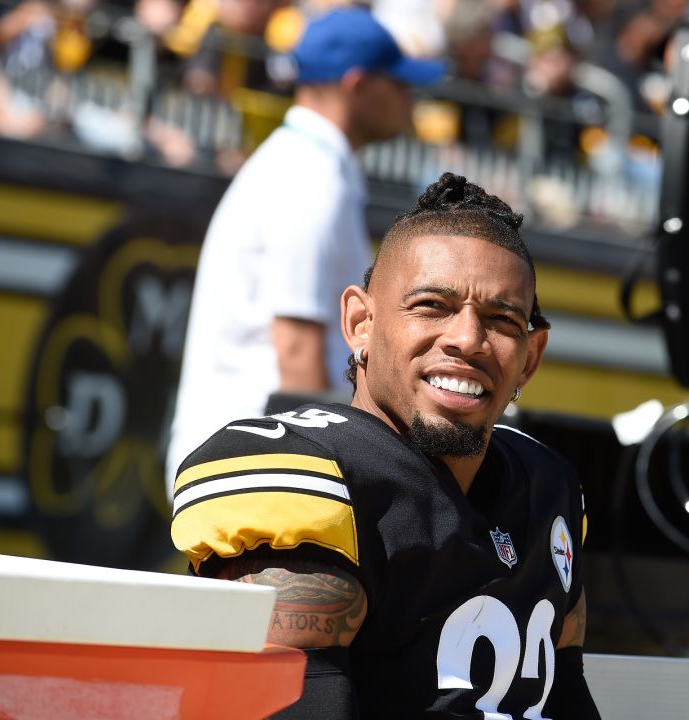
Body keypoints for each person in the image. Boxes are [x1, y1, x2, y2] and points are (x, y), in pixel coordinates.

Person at [170, 173, 601, 719]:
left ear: (530, 357)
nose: (467, 339)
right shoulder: (314, 477)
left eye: (501, 319)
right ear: (360, 324)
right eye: (431, 306)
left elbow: (568, 700)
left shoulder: (549, 487)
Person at [166, 7, 446, 493]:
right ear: (358, 85)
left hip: (249, 463)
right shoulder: (308, 177)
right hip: (253, 473)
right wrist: (335, 480)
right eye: (399, 84)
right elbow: (297, 351)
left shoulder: (309, 167)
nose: (409, 100)